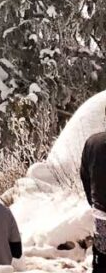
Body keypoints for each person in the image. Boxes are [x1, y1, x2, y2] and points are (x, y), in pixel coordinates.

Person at [80, 109, 106, 273]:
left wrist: (94, 202)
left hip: (101, 213)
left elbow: (85, 176)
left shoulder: (93, 142)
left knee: (102, 257)